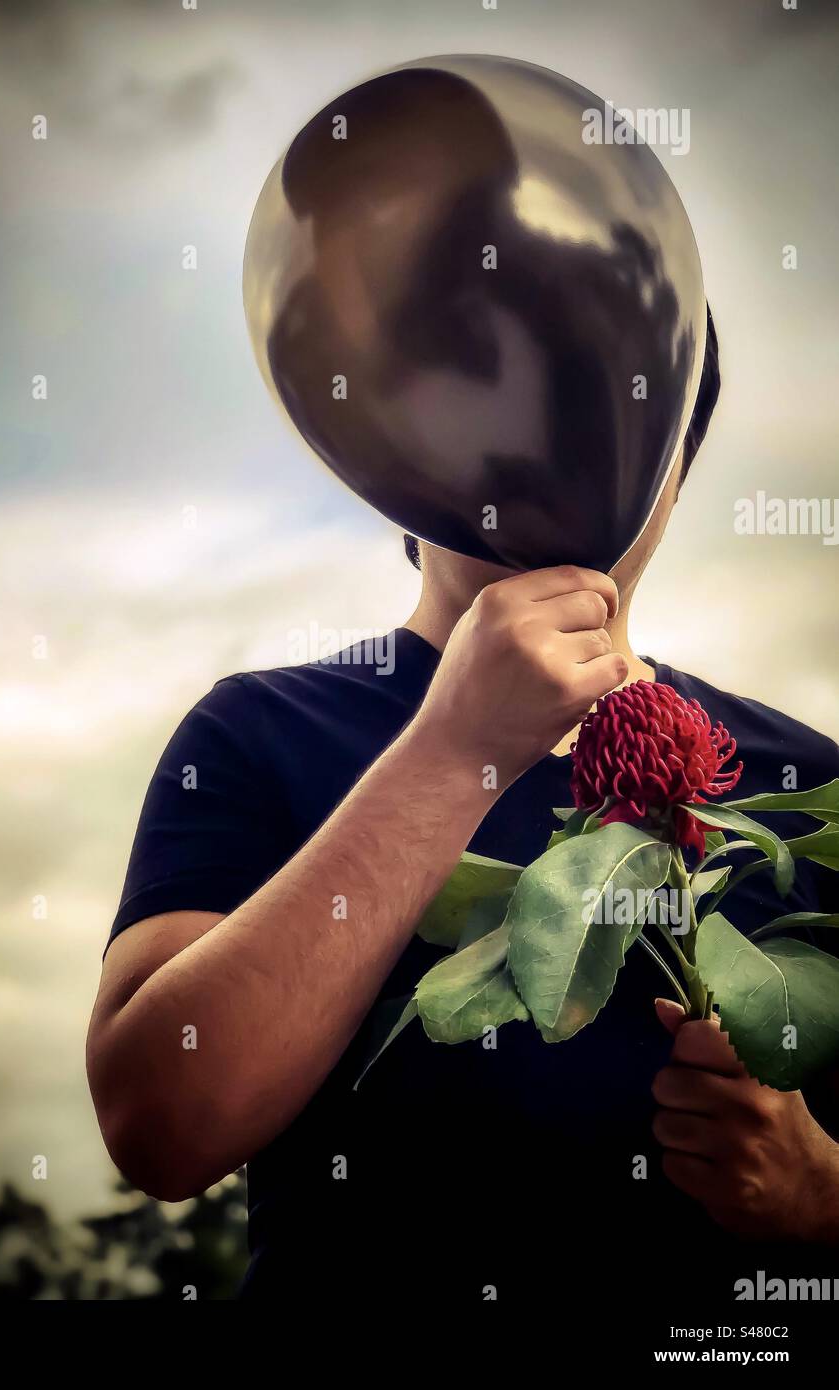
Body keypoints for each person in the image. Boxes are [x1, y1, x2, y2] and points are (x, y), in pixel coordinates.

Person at [87, 313, 839, 1306]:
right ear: (407, 462)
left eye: (619, 419)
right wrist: (455, 751)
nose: (556, 461)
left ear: (675, 466)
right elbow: (160, 1123)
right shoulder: (255, 732)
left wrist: (820, 1193)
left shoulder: (805, 780)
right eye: (495, 411)